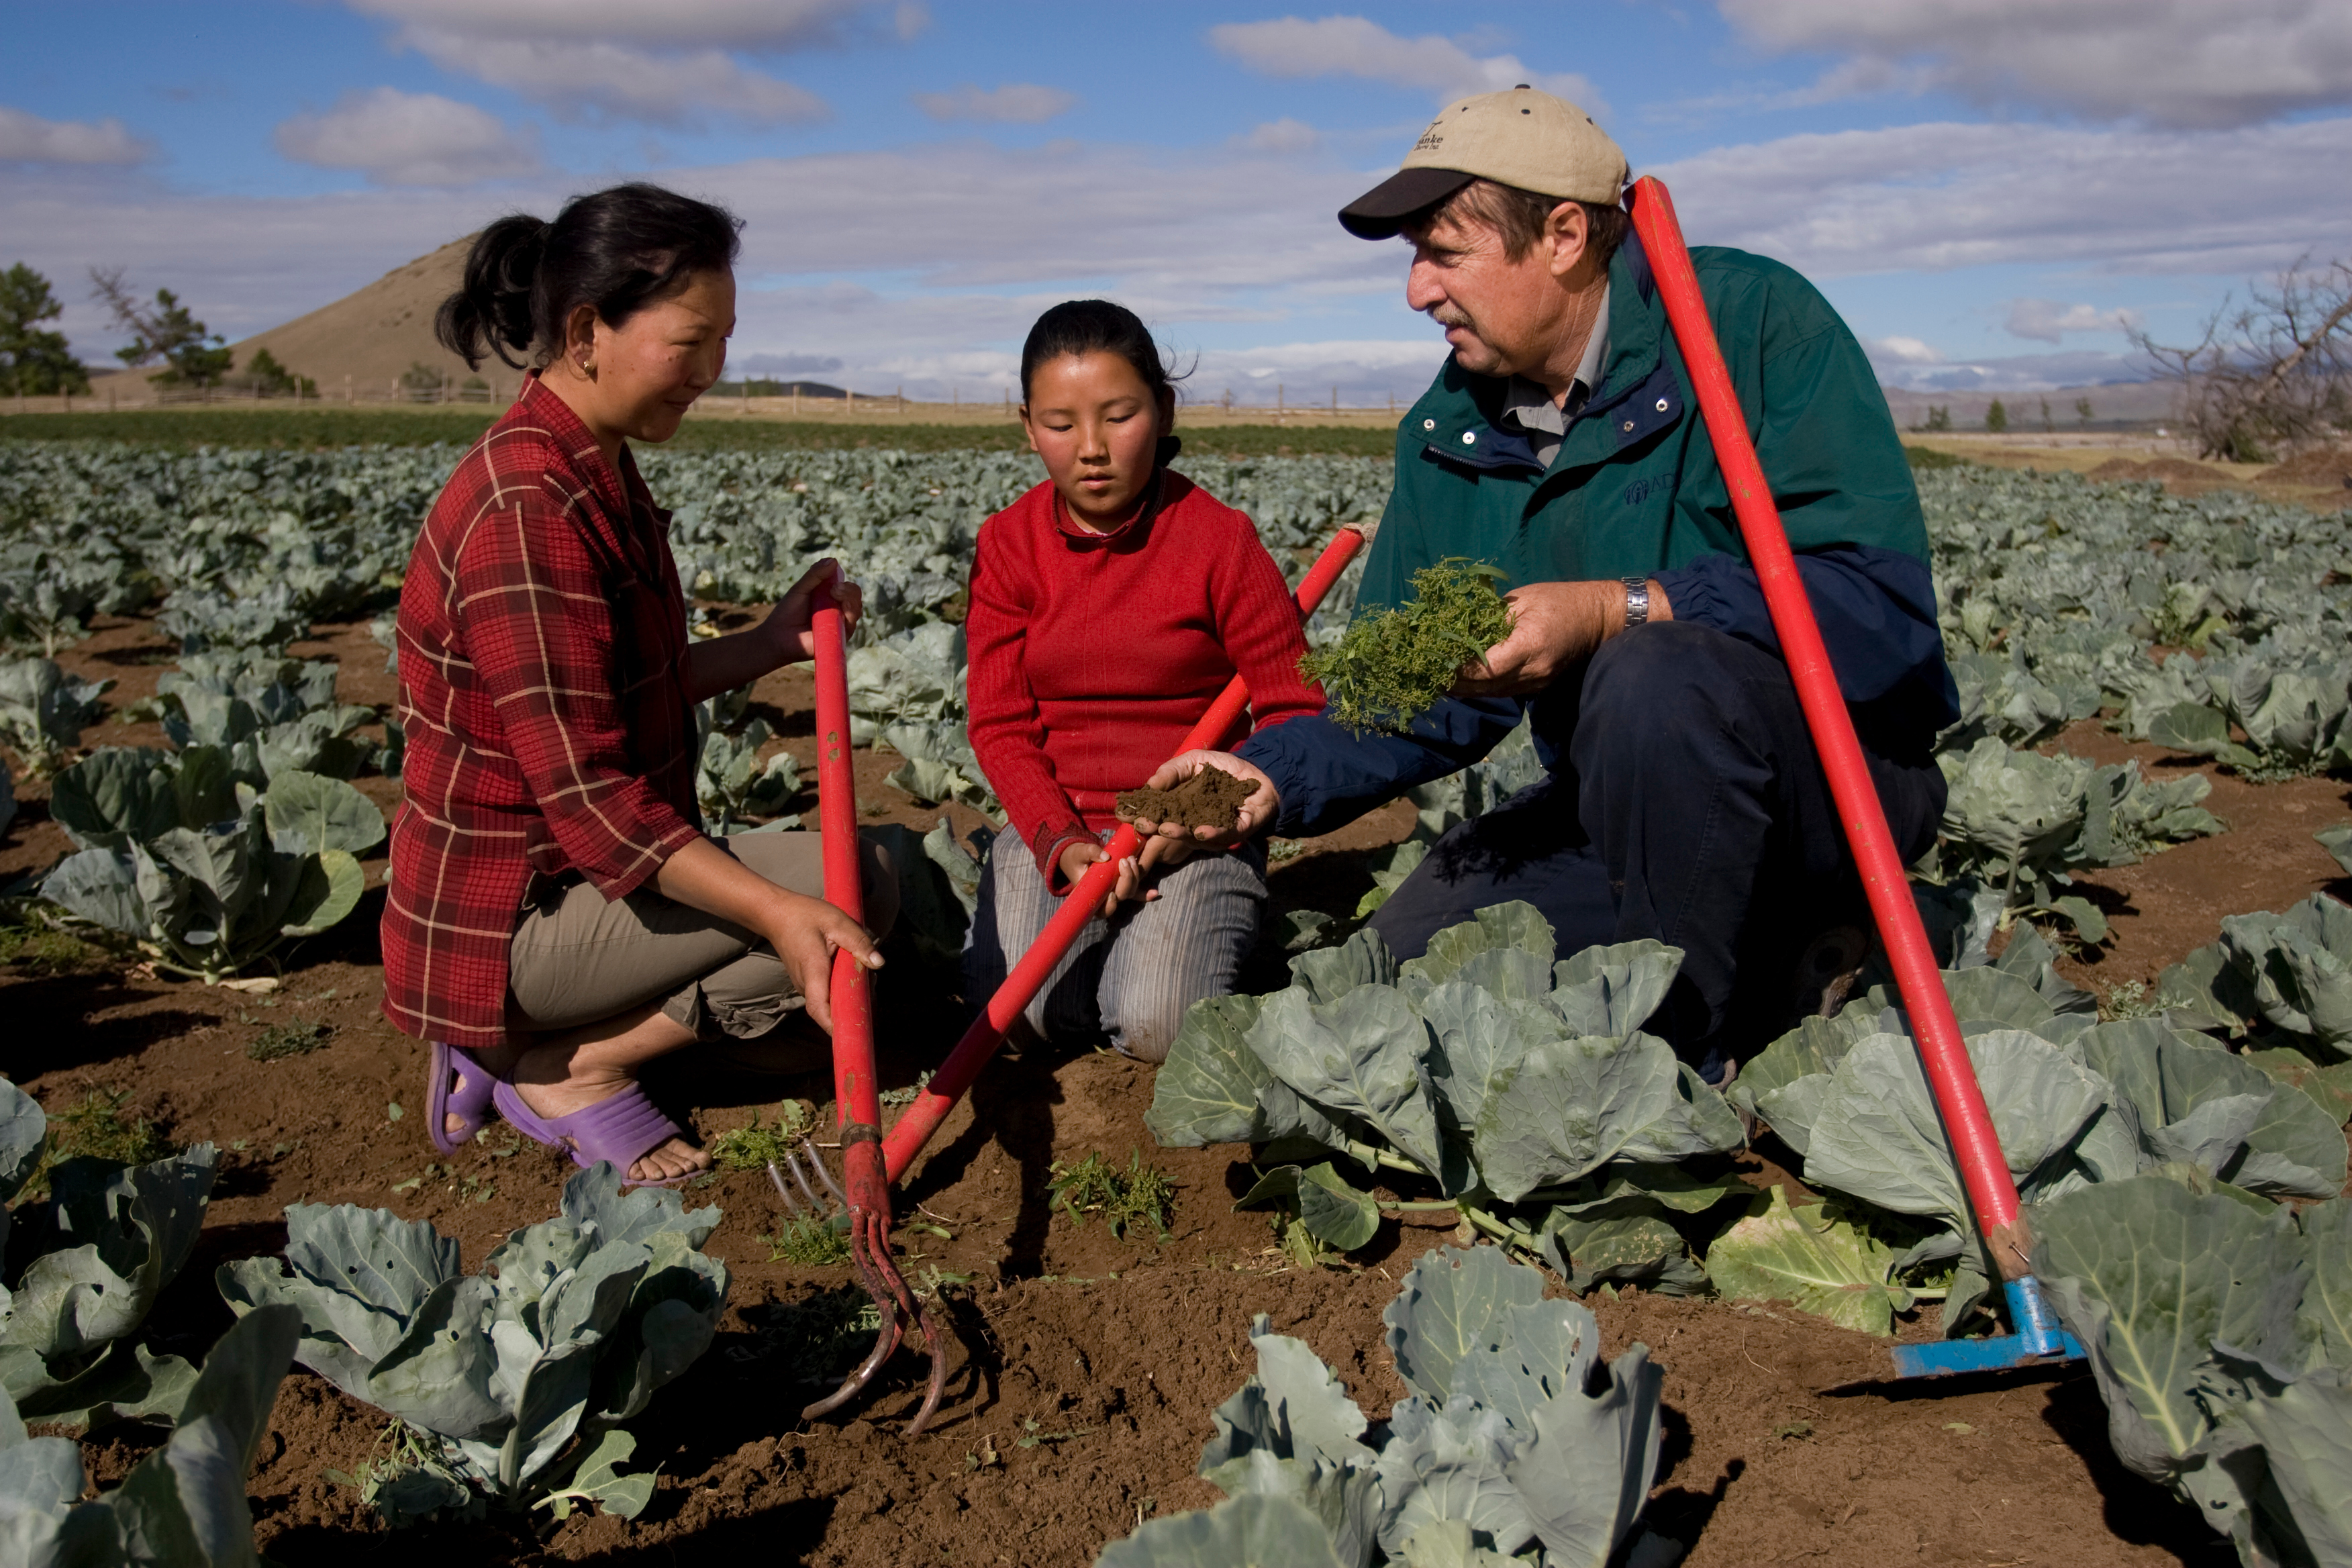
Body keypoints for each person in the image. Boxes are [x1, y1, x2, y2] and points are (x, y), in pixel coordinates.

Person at [1128, 89, 1955, 1081]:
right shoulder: (1452, 425)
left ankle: (1680, 1074)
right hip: (1622, 804)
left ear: (1563, 236)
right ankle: (1782, 952)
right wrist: (1267, 775)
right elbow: (1414, 697)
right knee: (1410, 963)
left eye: (1445, 252)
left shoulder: (1750, 325)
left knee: (1652, 676)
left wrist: (1618, 609)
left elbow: (1879, 607)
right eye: (1415, 257)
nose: (1417, 291)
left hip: (1835, 785)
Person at [383, 182, 897, 1185]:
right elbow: (592, 800)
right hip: (513, 918)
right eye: (690, 343)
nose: (710, 373)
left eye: (724, 342)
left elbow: (627, 688)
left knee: (848, 907)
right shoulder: (528, 506)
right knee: (846, 890)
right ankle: (561, 1064)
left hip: (575, 886)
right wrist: (774, 909)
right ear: (587, 333)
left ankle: (542, 1039)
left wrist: (771, 642)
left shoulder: (594, 463)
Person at [960, 300, 1324, 1062]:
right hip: (1056, 824)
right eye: (1060, 424)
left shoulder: (1221, 541)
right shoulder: (1009, 544)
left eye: (1119, 416)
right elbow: (999, 724)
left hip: (1188, 835)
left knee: (1159, 1027)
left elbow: (1294, 707)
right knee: (1020, 1019)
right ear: (1028, 426)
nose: (1091, 449)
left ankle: (1199, 930)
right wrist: (1061, 843)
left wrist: (1192, 820)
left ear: (1162, 410)